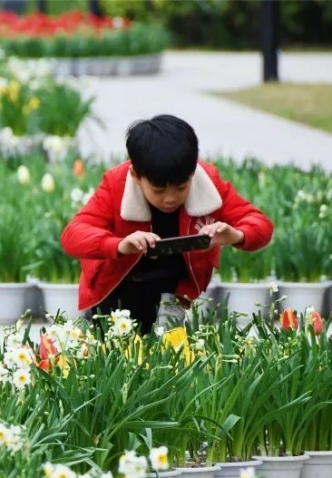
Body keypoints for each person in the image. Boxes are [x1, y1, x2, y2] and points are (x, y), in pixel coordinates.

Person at [60, 114, 274, 334]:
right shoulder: (117, 183)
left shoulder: (207, 181)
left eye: (181, 188)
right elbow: (73, 235)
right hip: (116, 291)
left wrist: (236, 235)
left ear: (192, 173)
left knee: (167, 356)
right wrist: (119, 245)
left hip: (173, 294)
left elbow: (261, 224)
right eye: (159, 190)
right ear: (136, 176)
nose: (170, 198)